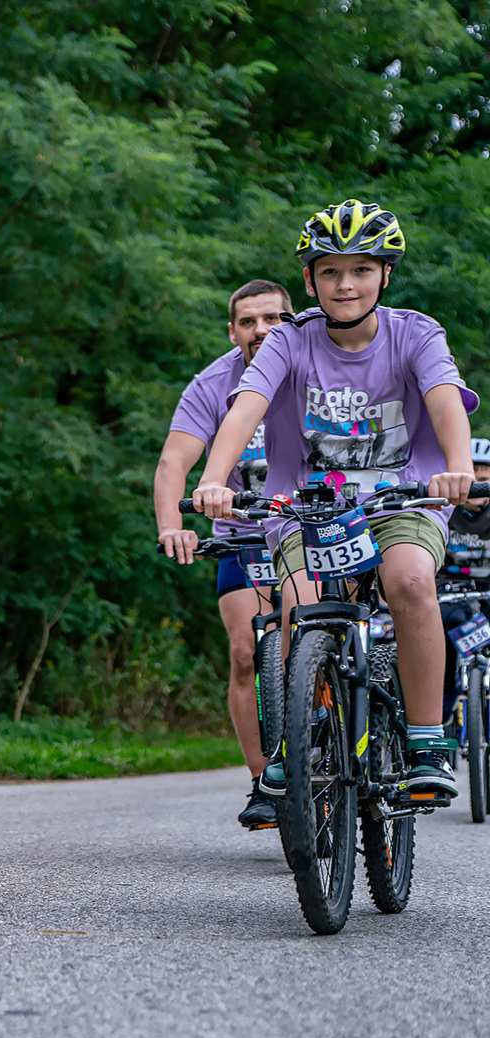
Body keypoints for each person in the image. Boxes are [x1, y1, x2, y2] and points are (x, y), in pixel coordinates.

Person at [196, 200, 478, 798]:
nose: (345, 284)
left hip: (404, 502)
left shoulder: (415, 334)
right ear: (309, 281)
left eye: (361, 270)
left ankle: (427, 739)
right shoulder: (288, 341)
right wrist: (214, 479)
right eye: (330, 272)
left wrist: (457, 469)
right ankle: (298, 739)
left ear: (385, 275)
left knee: (408, 581)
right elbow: (245, 407)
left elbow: (445, 401)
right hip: (309, 507)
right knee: (299, 604)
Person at [155, 279, 294, 829]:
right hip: (245, 535)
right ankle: (264, 781)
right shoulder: (212, 384)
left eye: (272, 318)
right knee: (245, 652)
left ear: (292, 319)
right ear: (232, 331)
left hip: (313, 528)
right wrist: (173, 526)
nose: (261, 330)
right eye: (248, 322)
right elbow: (174, 462)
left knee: (325, 633)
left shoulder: (319, 365)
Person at [437, 437, 490, 724]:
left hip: (486, 589)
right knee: (443, 639)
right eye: (471, 477)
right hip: (449, 590)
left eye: (484, 479)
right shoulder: (444, 510)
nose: (477, 486)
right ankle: (444, 707)